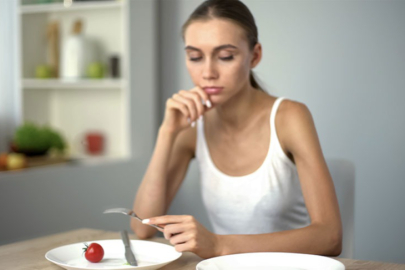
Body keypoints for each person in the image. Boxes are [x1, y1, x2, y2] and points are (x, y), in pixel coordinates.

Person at [131, 0, 342, 259]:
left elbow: (330, 237)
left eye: (225, 56)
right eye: (195, 57)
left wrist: (219, 245)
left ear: (254, 56)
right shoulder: (190, 126)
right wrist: (167, 132)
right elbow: (141, 227)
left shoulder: (289, 117)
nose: (208, 72)